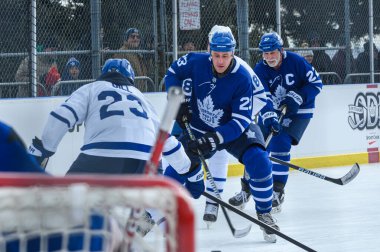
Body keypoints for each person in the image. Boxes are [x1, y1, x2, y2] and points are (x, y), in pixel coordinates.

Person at [163, 29, 279, 243]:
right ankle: (150, 215)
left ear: (233, 53)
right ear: (209, 50)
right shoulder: (196, 61)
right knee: (180, 164)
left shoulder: (243, 75)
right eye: (216, 55)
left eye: (225, 56)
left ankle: (264, 212)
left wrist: (215, 139)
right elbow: (172, 74)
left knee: (259, 159)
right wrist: (176, 99)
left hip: (232, 127)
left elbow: (241, 120)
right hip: (199, 123)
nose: (220, 60)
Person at [229, 32, 323, 214]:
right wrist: (270, 116)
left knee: (280, 142)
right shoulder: (260, 70)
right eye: (265, 53)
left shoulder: (296, 61)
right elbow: (262, 97)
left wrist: (298, 96)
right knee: (255, 147)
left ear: (281, 50)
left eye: (272, 52)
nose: (269, 57)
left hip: (300, 112)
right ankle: (246, 190)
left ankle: (277, 192)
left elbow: (316, 83)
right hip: (274, 110)